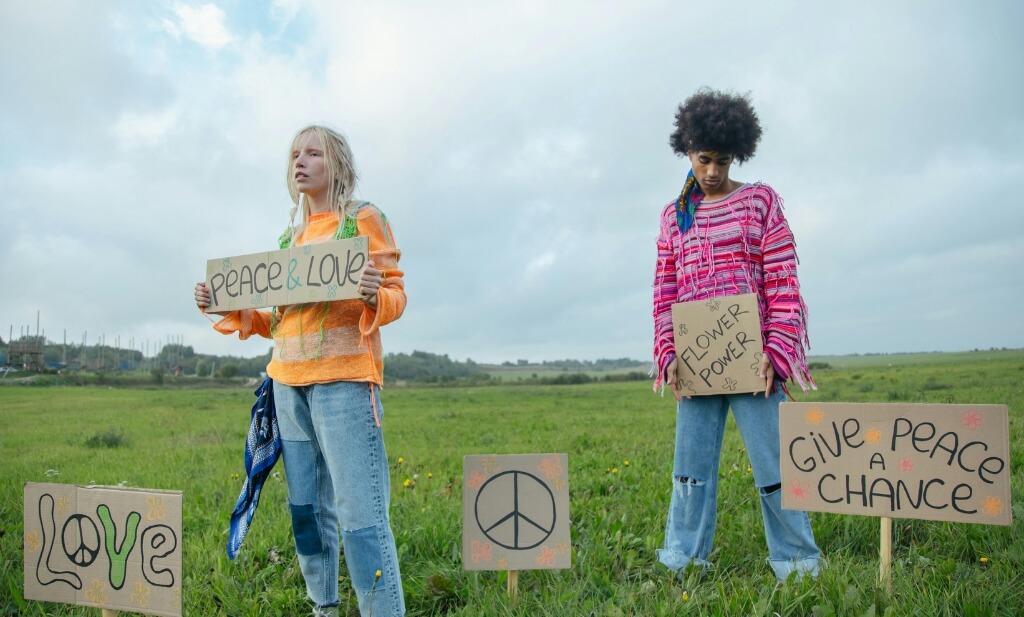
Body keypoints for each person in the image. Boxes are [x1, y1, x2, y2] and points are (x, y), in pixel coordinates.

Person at [194, 125, 406, 617]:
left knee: (360, 518)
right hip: (287, 387)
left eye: (314, 152)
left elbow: (396, 291)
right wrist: (223, 305)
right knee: (307, 513)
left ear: (339, 165)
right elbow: (277, 320)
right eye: (295, 154)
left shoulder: (363, 221)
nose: (301, 161)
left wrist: (376, 294)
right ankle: (322, 608)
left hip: (345, 384)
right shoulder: (288, 241)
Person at [651, 89, 821, 582]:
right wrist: (668, 352)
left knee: (776, 469)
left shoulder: (759, 202)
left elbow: (783, 280)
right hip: (696, 362)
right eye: (703, 159)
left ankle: (797, 564)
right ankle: (683, 560)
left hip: (755, 364)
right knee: (690, 471)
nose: (711, 172)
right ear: (687, 151)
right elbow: (665, 290)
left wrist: (778, 352)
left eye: (722, 161)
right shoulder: (673, 216)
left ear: (737, 155)